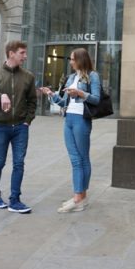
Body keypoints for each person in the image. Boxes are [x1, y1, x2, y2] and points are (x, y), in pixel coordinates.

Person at [41, 48, 99, 213]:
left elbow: (96, 99)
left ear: (80, 59)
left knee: (82, 158)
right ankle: (80, 197)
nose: (71, 62)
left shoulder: (93, 76)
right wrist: (51, 94)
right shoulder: (71, 78)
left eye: (73, 59)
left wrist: (79, 92)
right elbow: (63, 102)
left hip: (82, 120)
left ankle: (78, 198)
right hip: (69, 120)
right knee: (74, 159)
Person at [0, 40, 38, 214]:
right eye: (22, 53)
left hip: (21, 127)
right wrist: (1, 96)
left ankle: (15, 200)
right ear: (11, 53)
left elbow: (32, 101)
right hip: (0, 126)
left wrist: (27, 120)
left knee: (19, 163)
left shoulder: (28, 76)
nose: (25, 56)